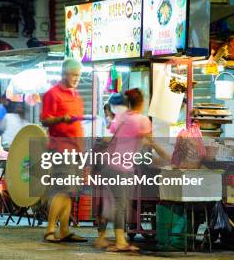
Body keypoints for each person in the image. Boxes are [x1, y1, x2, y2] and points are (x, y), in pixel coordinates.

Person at [96, 88, 170, 252]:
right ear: (142, 102)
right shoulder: (142, 120)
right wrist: (169, 159)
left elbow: (116, 138)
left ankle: (102, 238)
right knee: (120, 205)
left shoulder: (122, 117)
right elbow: (153, 143)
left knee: (110, 204)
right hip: (121, 168)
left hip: (108, 166)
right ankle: (120, 242)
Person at [40, 59, 87, 243]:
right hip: (61, 149)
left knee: (70, 191)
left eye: (78, 76)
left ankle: (65, 230)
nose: (76, 79)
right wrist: (61, 119)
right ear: (63, 74)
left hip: (76, 151)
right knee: (62, 190)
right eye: (73, 75)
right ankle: (50, 230)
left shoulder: (77, 97)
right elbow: (45, 120)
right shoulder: (52, 94)